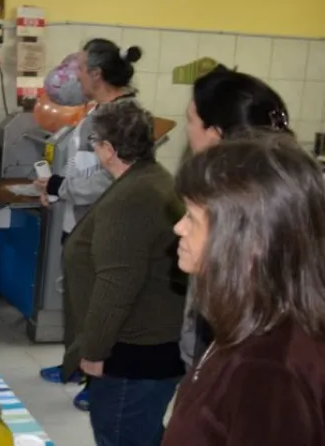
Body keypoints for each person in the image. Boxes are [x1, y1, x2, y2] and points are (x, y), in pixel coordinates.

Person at [164, 133, 325, 446]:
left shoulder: (269, 372)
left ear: (252, 241)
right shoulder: (250, 321)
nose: (178, 228)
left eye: (192, 218)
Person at [62, 100, 186, 446]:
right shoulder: (151, 179)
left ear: (109, 150)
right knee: (144, 433)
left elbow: (116, 285)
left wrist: (94, 350)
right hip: (151, 346)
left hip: (133, 353)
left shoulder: (131, 198)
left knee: (120, 434)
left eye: (95, 142)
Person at [35, 38, 141, 408]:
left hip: (104, 221)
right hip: (79, 219)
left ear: (97, 74)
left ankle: (98, 381)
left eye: (79, 68)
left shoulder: (123, 117)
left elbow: (111, 175)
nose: (72, 75)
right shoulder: (99, 109)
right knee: (78, 301)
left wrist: (60, 186)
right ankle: (74, 364)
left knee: (98, 306)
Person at [179, 68, 289, 367]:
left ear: (215, 134)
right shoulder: (281, 188)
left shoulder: (232, 206)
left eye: (190, 120)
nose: (180, 228)